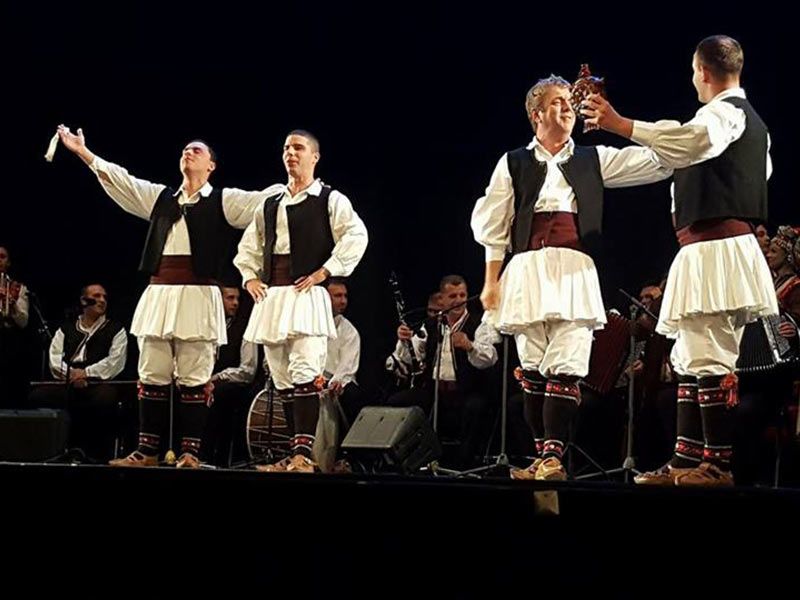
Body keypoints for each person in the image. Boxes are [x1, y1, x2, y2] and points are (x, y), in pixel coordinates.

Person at [584, 35, 778, 486]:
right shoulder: (736, 127)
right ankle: (686, 461)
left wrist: (620, 123)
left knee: (710, 355)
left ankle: (717, 465)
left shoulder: (725, 115)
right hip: (702, 248)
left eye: (693, 71)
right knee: (691, 356)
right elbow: (689, 154)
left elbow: (694, 141)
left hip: (717, 248)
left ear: (702, 71)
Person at [472, 75, 672, 481]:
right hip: (527, 269)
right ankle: (541, 458)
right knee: (533, 367)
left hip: (573, 270)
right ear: (536, 115)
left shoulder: (593, 158)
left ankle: (553, 458)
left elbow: (661, 161)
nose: (567, 109)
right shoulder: (513, 162)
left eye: (569, 103)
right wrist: (491, 281)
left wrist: (619, 123)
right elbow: (494, 224)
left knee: (566, 363)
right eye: (558, 102)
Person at [56, 126, 270, 468]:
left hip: (198, 295)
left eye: (197, 150)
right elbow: (122, 181)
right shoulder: (160, 198)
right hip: (160, 294)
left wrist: (298, 182)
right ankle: (147, 451)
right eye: (185, 149)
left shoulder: (223, 200)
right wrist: (84, 153)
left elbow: (265, 201)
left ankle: (191, 453)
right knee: (152, 371)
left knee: (194, 375)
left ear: (211, 165)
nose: (188, 152)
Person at [234, 130, 368, 473]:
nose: (290, 153)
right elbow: (250, 246)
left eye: (298, 148)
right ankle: (293, 453)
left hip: (306, 295)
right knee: (281, 378)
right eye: (286, 148)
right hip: (273, 296)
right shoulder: (270, 203)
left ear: (314, 156)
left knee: (305, 372)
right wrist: (249, 277)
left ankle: (304, 456)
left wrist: (327, 271)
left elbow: (356, 235)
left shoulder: (329, 198)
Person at [387, 275, 499, 468]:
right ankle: (405, 461)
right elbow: (412, 357)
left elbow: (490, 358)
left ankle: (463, 465)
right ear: (442, 299)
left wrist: (470, 346)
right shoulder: (432, 325)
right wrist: (404, 341)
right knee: (397, 402)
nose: (458, 300)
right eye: (452, 296)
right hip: (435, 391)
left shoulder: (479, 324)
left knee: (475, 407)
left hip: (466, 391)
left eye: (462, 295)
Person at [30, 283, 128, 461]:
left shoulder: (116, 329)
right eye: (96, 296)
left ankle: (95, 453)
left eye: (104, 297)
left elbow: (115, 362)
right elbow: (55, 358)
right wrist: (70, 375)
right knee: (39, 396)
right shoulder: (65, 328)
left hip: (97, 382)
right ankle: (53, 452)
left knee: (105, 398)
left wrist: (86, 373)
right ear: (84, 301)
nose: (102, 300)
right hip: (68, 380)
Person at [203, 286, 258, 466]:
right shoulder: (206, 325)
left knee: (219, 394)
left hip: (235, 384)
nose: (235, 303)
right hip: (206, 380)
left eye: (237, 299)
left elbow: (247, 371)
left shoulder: (245, 329)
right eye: (230, 298)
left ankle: (215, 457)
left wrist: (218, 377)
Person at [323, 278, 363, 424]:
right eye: (338, 296)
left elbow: (347, 364)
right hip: (311, 379)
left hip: (336, 382)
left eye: (345, 296)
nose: (343, 301)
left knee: (352, 394)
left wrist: (336, 381)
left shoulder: (349, 331)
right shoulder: (309, 323)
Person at [0, 245, 30, 408]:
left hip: (8, 341)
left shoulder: (18, 287)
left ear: (8, 262)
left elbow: (23, 322)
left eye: (2, 257)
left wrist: (12, 305)